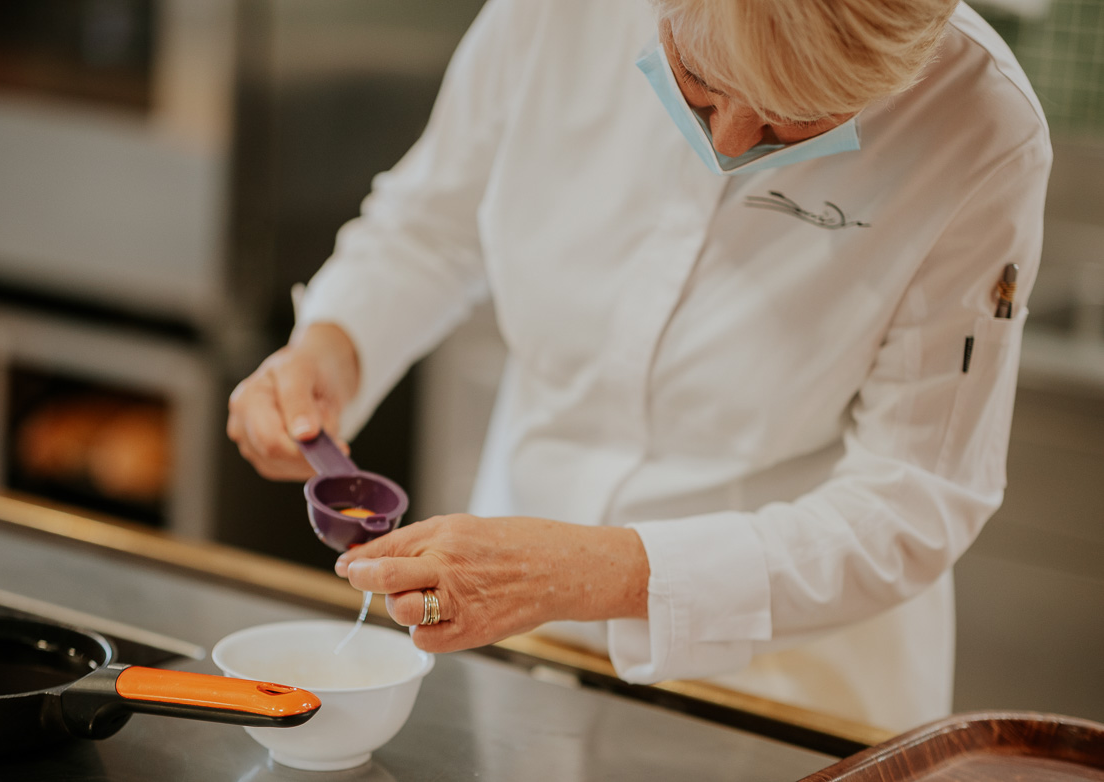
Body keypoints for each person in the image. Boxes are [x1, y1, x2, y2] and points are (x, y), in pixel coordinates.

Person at [227, 0, 1051, 732]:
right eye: (694, 77)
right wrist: (334, 344)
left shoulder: (980, 127)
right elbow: (432, 222)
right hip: (517, 632)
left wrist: (604, 574)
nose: (723, 144)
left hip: (783, 683)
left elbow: (911, 498)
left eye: (798, 123)